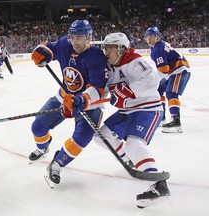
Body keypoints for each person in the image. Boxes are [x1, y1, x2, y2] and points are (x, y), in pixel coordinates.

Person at [93, 32, 170, 208]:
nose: (106, 52)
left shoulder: (134, 60)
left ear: (121, 49)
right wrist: (85, 100)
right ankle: (128, 159)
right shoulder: (110, 67)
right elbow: (104, 90)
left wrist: (124, 92)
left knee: (134, 144)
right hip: (126, 111)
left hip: (147, 109)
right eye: (105, 48)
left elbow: (151, 81)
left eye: (110, 48)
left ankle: (160, 185)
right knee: (101, 136)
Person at [30, 20, 108, 187]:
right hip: (64, 96)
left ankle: (57, 164)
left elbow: (98, 88)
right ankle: (43, 147)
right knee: (37, 127)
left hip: (88, 103)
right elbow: (49, 47)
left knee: (82, 138)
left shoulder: (96, 56)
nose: (75, 42)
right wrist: (42, 51)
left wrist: (81, 100)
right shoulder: (65, 44)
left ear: (89, 38)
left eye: (79, 37)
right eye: (72, 37)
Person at [145, 27, 191, 133]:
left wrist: (154, 79)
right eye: (147, 37)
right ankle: (161, 117)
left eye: (151, 36)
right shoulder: (156, 46)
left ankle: (176, 121)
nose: (148, 39)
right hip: (172, 71)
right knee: (158, 90)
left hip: (180, 70)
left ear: (157, 37)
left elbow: (164, 69)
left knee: (171, 93)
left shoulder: (158, 48)